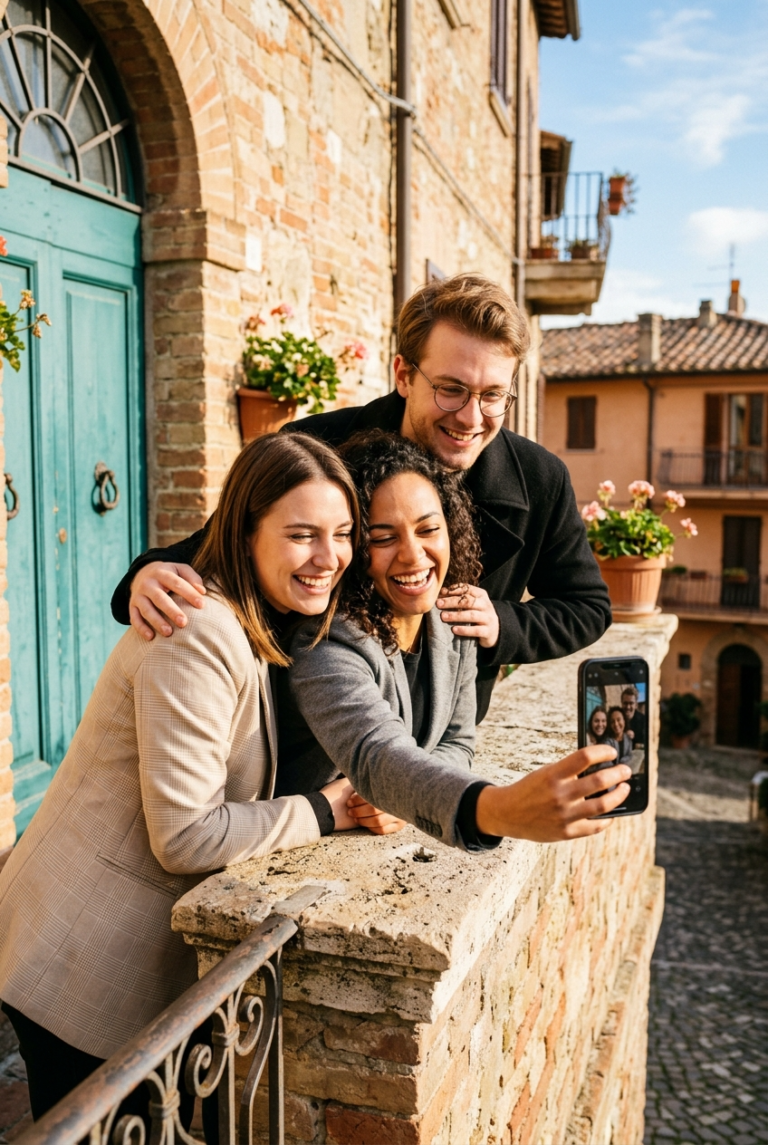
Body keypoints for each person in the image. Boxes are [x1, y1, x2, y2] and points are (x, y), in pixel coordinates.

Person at [0, 433, 375, 1126]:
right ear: (245, 529)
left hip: (107, 950)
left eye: (343, 533)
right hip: (79, 954)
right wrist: (327, 810)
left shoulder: (255, 613)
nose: (329, 557)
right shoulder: (196, 628)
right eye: (301, 534)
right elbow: (186, 833)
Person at [110, 274, 611, 724]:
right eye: (451, 389)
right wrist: (147, 575)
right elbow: (221, 548)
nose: (471, 417)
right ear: (403, 374)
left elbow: (587, 607)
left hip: (441, 735)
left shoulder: (542, 478)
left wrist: (503, 622)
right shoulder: (314, 446)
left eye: (493, 395)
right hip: (306, 738)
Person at [280, 431, 631, 850]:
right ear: (354, 545)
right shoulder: (326, 644)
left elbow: (458, 742)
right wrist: (501, 809)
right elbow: (378, 756)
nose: (414, 556)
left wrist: (402, 797)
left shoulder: (450, 617)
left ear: (453, 528)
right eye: (383, 538)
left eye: (429, 529)